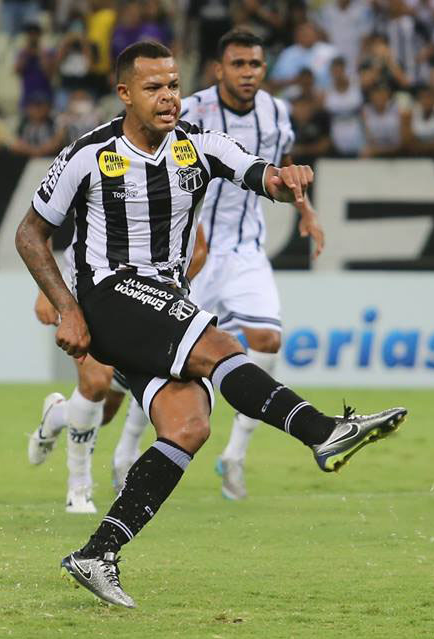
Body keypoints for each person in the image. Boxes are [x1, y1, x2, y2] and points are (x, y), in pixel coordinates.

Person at [15, 40, 407, 607]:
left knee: (189, 424)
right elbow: (31, 233)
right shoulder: (89, 154)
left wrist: (287, 180)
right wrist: (68, 307)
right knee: (218, 345)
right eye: (153, 87)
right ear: (125, 93)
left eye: (174, 85)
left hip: (162, 298)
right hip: (109, 295)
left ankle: (98, 552)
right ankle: (323, 432)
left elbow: (262, 176)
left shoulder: (199, 146)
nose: (168, 97)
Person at [178, 30, 328, 500]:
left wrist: (306, 210)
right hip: (194, 250)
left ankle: (235, 455)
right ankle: (124, 453)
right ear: (218, 69)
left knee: (267, 340)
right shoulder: (191, 110)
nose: (247, 73)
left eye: (255, 65)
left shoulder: (276, 111)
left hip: (246, 248)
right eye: (238, 64)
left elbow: (283, 162)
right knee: (171, 361)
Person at [28, 227, 208, 512]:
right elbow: (40, 225)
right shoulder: (93, 193)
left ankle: (58, 415)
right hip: (87, 287)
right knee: (96, 383)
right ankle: (79, 487)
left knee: (105, 412)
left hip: (145, 300)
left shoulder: (175, 196)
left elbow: (199, 249)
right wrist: (44, 290)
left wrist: (171, 290)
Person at [323, 56, 366, 157]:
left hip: (357, 135)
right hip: (336, 137)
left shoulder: (357, 85)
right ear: (331, 72)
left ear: (345, 70)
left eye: (340, 70)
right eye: (335, 71)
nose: (337, 74)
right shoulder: (325, 92)